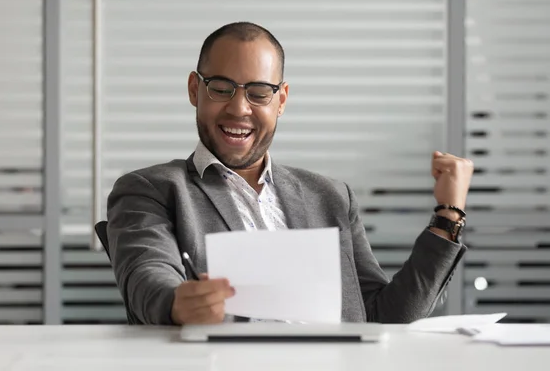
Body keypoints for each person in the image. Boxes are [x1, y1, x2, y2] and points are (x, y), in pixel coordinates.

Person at [106, 21, 473, 326]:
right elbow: (146, 275)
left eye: (259, 93)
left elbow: (383, 316)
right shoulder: (151, 190)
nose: (238, 108)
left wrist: (448, 215)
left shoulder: (331, 196)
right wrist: (176, 303)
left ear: (281, 100)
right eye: (221, 88)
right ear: (194, 90)